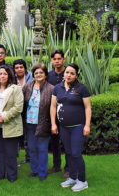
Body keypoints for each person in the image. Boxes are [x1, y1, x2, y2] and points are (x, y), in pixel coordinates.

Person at [51, 64, 92, 192]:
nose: (68, 75)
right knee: (68, 153)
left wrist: (87, 125)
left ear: (76, 75)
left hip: (78, 127)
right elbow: (52, 106)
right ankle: (73, 178)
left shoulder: (82, 88)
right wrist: (53, 123)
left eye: (72, 73)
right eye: (67, 72)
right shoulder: (58, 88)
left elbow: (88, 107)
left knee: (75, 153)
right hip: (64, 127)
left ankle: (82, 180)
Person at [0, 65, 24, 182]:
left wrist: (3, 117)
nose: (2, 76)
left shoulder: (16, 89)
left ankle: (12, 176)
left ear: (9, 75)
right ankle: (0, 175)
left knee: (11, 153)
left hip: (11, 125)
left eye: (5, 74)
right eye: (0, 74)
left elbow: (18, 108)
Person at [22, 64, 54, 181]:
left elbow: (54, 107)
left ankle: (42, 172)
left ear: (45, 74)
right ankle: (34, 170)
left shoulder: (51, 88)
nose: (38, 75)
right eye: (36, 73)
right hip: (29, 122)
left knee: (42, 148)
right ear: (33, 75)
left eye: (41, 73)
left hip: (44, 123)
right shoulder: (27, 86)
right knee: (31, 148)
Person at [47, 49, 68, 177]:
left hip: (67, 113)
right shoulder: (49, 75)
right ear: (52, 60)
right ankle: (56, 166)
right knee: (54, 141)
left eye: (59, 59)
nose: (57, 61)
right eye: (54, 59)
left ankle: (68, 168)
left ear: (63, 59)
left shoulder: (69, 73)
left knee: (67, 142)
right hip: (53, 112)